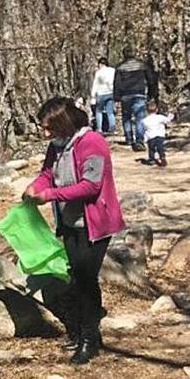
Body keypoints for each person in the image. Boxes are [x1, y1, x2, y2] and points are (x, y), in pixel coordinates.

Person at [25, 97, 126, 365]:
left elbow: (91, 185)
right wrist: (34, 187)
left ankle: (88, 337)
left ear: (64, 123)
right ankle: (86, 331)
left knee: (85, 278)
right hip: (71, 222)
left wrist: (51, 195)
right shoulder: (57, 146)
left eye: (50, 127)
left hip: (96, 223)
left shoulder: (92, 143)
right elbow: (47, 173)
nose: (46, 134)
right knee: (78, 278)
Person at [114, 47, 157, 150]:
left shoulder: (120, 67)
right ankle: (139, 140)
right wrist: (152, 93)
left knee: (126, 116)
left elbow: (117, 83)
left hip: (125, 95)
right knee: (140, 117)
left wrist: (116, 96)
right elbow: (150, 80)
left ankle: (129, 138)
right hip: (139, 93)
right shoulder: (142, 65)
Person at [140, 100, 173, 167]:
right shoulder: (160, 117)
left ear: (147, 111)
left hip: (150, 136)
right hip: (160, 135)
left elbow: (144, 129)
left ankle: (151, 159)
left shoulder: (145, 120)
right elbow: (167, 120)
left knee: (151, 148)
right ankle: (162, 156)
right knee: (160, 147)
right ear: (156, 110)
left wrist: (144, 138)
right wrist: (171, 115)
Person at [90, 57, 116, 134]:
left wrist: (93, 94)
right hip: (110, 93)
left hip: (101, 94)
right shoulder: (113, 71)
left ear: (100, 64)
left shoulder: (98, 72)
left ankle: (99, 128)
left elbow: (95, 84)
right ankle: (112, 128)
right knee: (110, 112)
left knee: (99, 111)